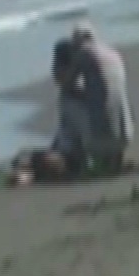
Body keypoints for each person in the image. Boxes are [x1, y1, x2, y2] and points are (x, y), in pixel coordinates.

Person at [7, 39, 90, 186]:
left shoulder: (77, 94)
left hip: (72, 158)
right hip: (64, 153)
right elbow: (64, 132)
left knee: (36, 161)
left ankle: (32, 176)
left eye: (56, 65)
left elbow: (83, 134)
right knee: (23, 158)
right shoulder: (68, 94)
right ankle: (30, 175)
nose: (53, 70)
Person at [66, 23, 135, 173]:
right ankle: (114, 160)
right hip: (126, 135)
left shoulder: (83, 53)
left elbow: (68, 85)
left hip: (100, 139)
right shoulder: (114, 53)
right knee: (113, 101)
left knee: (68, 102)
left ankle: (79, 159)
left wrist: (85, 95)